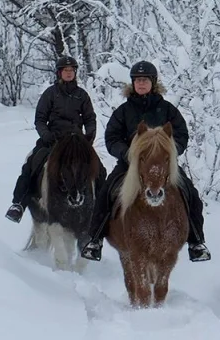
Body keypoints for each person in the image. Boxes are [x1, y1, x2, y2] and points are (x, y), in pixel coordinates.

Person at [79, 60, 210, 263]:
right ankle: (95, 241)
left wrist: (170, 153)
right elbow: (112, 137)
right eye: (137, 80)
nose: (141, 84)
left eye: (145, 80)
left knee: (190, 193)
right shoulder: (123, 111)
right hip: (130, 165)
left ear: (153, 82)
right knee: (106, 192)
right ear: (132, 83)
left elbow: (181, 135)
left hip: (163, 166)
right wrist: (126, 154)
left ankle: (196, 242)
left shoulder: (167, 109)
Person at [5, 55, 99, 222]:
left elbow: (90, 118)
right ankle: (18, 203)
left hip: (76, 142)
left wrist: (89, 137)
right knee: (33, 163)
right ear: (59, 73)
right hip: (53, 140)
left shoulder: (82, 95)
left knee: (99, 168)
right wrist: (46, 135)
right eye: (66, 70)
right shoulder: (50, 94)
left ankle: (101, 205)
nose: (69, 73)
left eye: (72, 70)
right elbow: (40, 118)